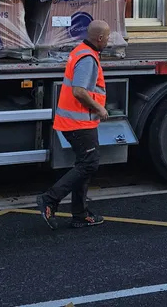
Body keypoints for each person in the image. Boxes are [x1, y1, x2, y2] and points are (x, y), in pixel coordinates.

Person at [37, 19, 110, 229]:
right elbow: (79, 91)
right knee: (89, 163)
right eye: (107, 37)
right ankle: (50, 199)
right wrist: (99, 108)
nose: (108, 40)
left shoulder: (82, 51)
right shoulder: (87, 58)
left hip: (77, 121)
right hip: (80, 122)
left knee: (84, 165)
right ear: (99, 38)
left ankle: (80, 214)